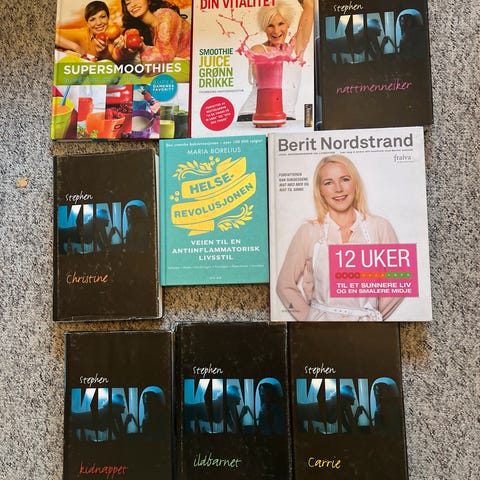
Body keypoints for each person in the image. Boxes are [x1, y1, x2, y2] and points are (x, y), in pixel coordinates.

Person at [276, 154, 403, 322]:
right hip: (320, 331)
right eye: (328, 183)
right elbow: (284, 285)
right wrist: (309, 319)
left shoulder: (380, 227)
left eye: (344, 179)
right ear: (320, 191)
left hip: (367, 330)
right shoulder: (308, 231)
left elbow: (399, 280)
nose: (338, 189)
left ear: (355, 184)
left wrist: (374, 318)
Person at [237, 0, 313, 121]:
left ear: (288, 24)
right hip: (253, 115)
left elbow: (310, 7)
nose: (276, 31)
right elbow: (265, 82)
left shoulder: (295, 50)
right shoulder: (258, 50)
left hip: (287, 116)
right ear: (264, 28)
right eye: (270, 25)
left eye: (281, 24)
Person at [119, 0, 191, 62]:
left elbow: (164, 59)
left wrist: (143, 48)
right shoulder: (144, 29)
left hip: (190, 63)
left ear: (149, 1)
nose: (133, 5)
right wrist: (123, 48)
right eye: (128, 3)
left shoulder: (166, 16)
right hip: (177, 64)